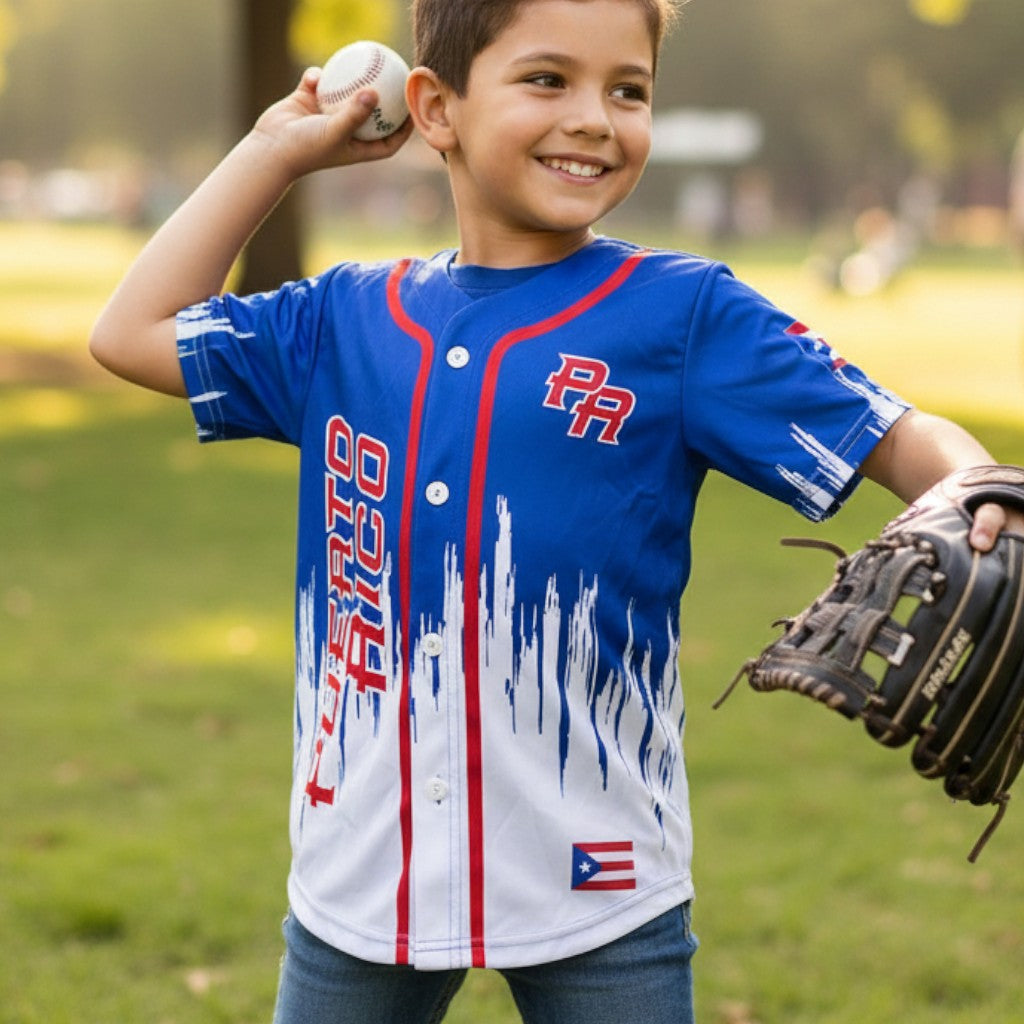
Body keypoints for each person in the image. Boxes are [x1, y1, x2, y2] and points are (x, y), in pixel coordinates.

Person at [89, 1, 1022, 1021]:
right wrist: (273, 152)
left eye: (627, 89)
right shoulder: (343, 319)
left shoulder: (682, 315)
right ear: (434, 108)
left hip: (601, 875)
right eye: (547, 80)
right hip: (364, 868)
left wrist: (976, 483)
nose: (594, 117)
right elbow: (131, 330)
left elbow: (894, 434)